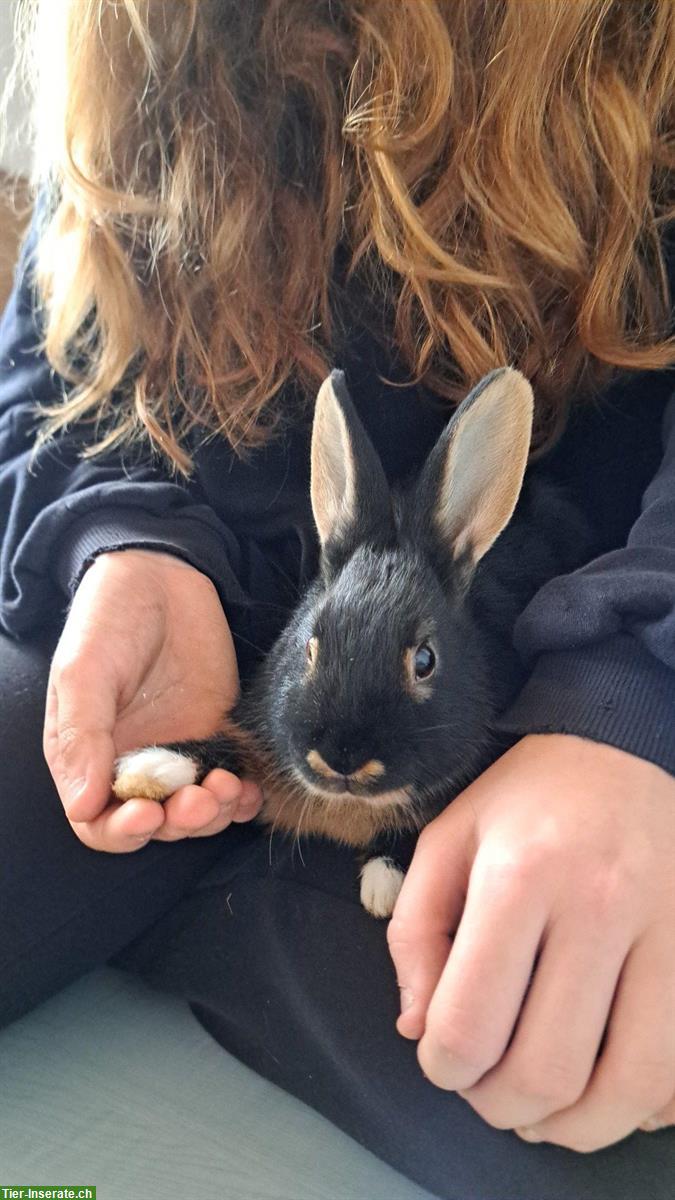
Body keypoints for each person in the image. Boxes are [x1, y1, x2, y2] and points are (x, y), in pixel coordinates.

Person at [1, 1, 674, 1196]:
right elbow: (64, 332)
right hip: (192, 674)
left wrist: (639, 700)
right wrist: (123, 534)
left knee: (563, 1112)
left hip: (555, 729)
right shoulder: (129, 39)